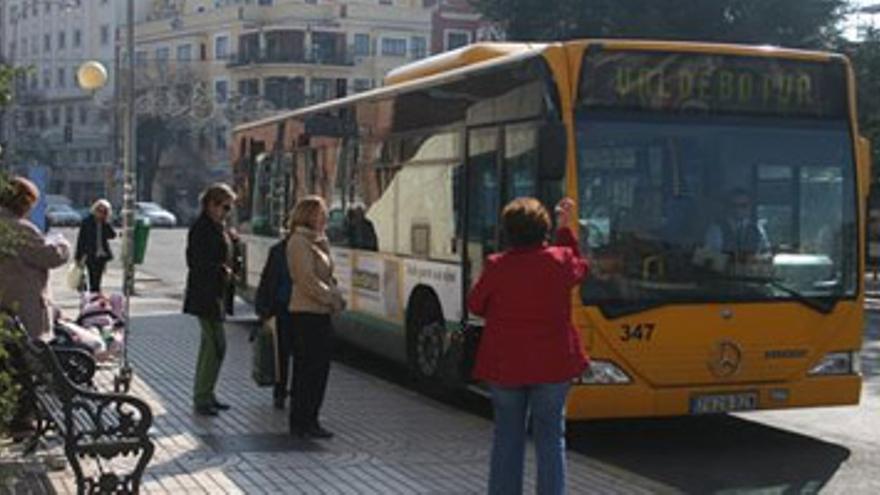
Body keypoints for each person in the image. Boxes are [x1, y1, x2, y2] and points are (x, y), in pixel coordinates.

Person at [468, 197, 589, 495]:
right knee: (551, 437)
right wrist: (566, 229)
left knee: (507, 436)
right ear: (543, 230)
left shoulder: (497, 266)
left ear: (508, 231)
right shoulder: (559, 261)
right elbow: (577, 268)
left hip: (506, 365)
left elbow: (475, 304)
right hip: (553, 365)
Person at [0, 176, 71, 438]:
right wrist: (62, 243)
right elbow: (51, 256)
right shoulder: (18, 228)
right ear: (23, 202)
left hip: (7, 307)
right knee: (25, 367)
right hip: (23, 309)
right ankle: (21, 421)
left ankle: (16, 419)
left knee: (11, 365)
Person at [286, 195, 346, 439]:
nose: (325, 219)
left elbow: (327, 276)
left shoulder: (318, 241)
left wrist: (335, 294)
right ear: (309, 215)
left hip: (320, 313)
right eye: (321, 214)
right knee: (307, 371)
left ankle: (311, 419)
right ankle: (302, 421)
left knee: (318, 371)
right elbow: (306, 280)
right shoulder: (299, 242)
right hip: (306, 314)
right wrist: (330, 298)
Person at [183, 183, 237, 416]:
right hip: (205, 294)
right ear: (210, 204)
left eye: (229, 208)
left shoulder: (218, 226)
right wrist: (221, 270)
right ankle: (202, 396)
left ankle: (207, 393)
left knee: (213, 346)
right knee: (215, 345)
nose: (226, 212)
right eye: (224, 207)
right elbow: (196, 262)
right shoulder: (202, 228)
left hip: (215, 293)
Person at [255, 229, 298, 410]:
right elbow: (267, 280)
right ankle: (280, 392)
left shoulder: (305, 250)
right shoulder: (278, 251)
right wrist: (264, 310)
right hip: (282, 307)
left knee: (294, 353)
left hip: (299, 308)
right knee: (282, 353)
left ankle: (290, 392)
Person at [702, 188, 771, 270]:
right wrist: (732, 264)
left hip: (751, 277)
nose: (738, 209)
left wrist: (757, 260)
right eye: (734, 205)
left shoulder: (757, 229)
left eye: (743, 205)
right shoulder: (716, 229)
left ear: (749, 207)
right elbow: (707, 258)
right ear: (728, 207)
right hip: (724, 278)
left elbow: (766, 254)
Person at [75, 199, 116, 292]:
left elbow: (112, 235)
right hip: (90, 254)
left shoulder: (104, 223)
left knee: (98, 278)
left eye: (104, 211)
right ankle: (93, 295)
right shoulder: (87, 222)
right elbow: (81, 240)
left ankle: (95, 294)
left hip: (102, 255)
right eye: (99, 210)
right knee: (92, 278)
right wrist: (78, 257)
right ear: (95, 210)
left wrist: (106, 222)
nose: (100, 213)